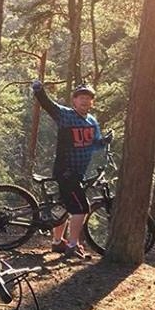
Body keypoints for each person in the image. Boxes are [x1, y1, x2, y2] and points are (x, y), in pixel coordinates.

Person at [32, 80, 112, 261]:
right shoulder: (66, 115)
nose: (84, 100)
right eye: (81, 97)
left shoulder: (92, 121)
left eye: (88, 98)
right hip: (66, 171)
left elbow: (94, 144)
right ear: (74, 101)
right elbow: (49, 106)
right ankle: (73, 245)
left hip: (78, 173)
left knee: (64, 207)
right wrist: (39, 91)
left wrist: (104, 141)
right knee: (81, 208)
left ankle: (57, 242)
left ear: (92, 102)